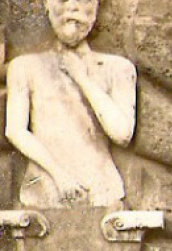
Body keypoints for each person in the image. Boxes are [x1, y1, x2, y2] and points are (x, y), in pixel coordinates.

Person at [4, 0, 135, 207]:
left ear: (96, 8)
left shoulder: (118, 68)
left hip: (101, 187)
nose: (72, 6)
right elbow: (15, 131)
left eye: (83, 0)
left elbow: (122, 133)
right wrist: (59, 175)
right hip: (44, 187)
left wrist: (82, 79)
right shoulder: (24, 67)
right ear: (47, 5)